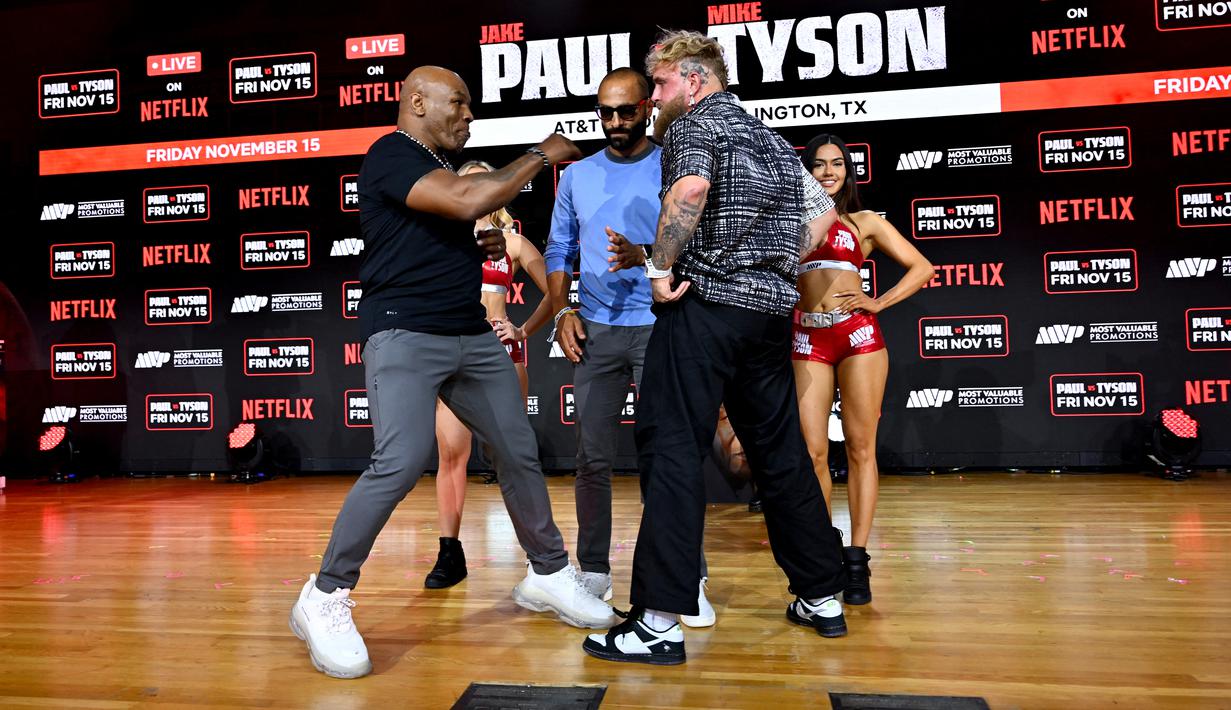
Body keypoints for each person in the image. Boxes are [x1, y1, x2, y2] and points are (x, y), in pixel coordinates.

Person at [289, 66, 616, 680]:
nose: (470, 115)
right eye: (459, 103)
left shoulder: (431, 168)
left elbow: (452, 219)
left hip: (468, 332)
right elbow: (470, 197)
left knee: (517, 449)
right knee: (402, 457)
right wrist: (540, 155)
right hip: (404, 332)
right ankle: (324, 596)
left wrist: (481, 247)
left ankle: (548, 573)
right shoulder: (391, 153)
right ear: (417, 102)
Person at [582, 31, 848, 666]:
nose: (656, 99)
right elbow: (822, 220)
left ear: (693, 79)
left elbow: (690, 193)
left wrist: (661, 268)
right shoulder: (769, 139)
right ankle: (821, 596)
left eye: (663, 85)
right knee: (780, 455)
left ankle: (657, 622)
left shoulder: (696, 123)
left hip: (704, 311)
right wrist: (770, 264)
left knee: (672, 450)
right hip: (766, 317)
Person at [545, 67, 714, 627]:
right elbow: (558, 249)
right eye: (605, 113)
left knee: (669, 457)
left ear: (647, 107)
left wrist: (645, 254)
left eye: (625, 111)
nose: (614, 123)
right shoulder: (577, 175)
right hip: (596, 328)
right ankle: (592, 571)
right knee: (591, 458)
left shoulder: (675, 161)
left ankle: (687, 575)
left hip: (660, 323)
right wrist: (565, 309)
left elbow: (699, 238)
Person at [794, 134, 934, 605]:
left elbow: (922, 267)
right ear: (806, 171)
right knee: (812, 453)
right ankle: (821, 549)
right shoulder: (789, 221)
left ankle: (856, 559)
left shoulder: (864, 222)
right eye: (819, 164)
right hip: (805, 337)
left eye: (837, 164)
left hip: (857, 337)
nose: (828, 172)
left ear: (848, 172)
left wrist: (879, 301)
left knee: (859, 448)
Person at [426, 159, 553, 589]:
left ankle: (539, 557)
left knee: (512, 459)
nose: (472, 188)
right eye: (463, 182)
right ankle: (449, 553)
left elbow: (557, 290)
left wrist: (523, 329)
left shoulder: (512, 243)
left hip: (500, 355)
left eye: (482, 179)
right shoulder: (437, 240)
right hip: (453, 356)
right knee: (451, 455)